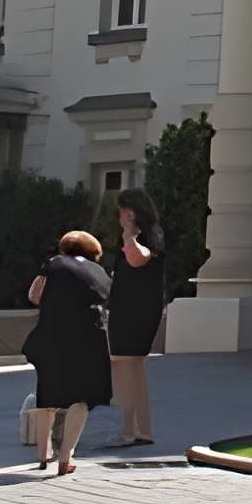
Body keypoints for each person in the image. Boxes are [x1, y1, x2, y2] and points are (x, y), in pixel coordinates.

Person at [23, 230, 114, 475]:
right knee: (81, 399)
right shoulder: (100, 272)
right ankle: (66, 458)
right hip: (90, 338)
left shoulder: (53, 264)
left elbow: (34, 295)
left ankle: (43, 455)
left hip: (52, 335)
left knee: (48, 392)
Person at [102, 191, 167, 449]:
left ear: (130, 212)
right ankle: (141, 430)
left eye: (121, 211)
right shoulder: (153, 236)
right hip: (136, 313)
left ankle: (128, 431)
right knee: (134, 371)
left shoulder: (144, 239)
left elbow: (136, 258)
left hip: (132, 315)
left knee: (124, 369)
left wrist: (129, 233)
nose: (118, 216)